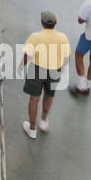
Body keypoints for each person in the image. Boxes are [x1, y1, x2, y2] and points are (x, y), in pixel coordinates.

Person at [20, 11, 70, 139]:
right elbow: (66, 56)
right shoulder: (62, 37)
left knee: (34, 99)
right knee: (49, 95)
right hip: (55, 69)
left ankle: (32, 129)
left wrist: (21, 66)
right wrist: (63, 69)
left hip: (38, 70)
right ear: (55, 23)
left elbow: (27, 55)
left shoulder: (35, 37)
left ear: (42, 22)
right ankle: (43, 121)